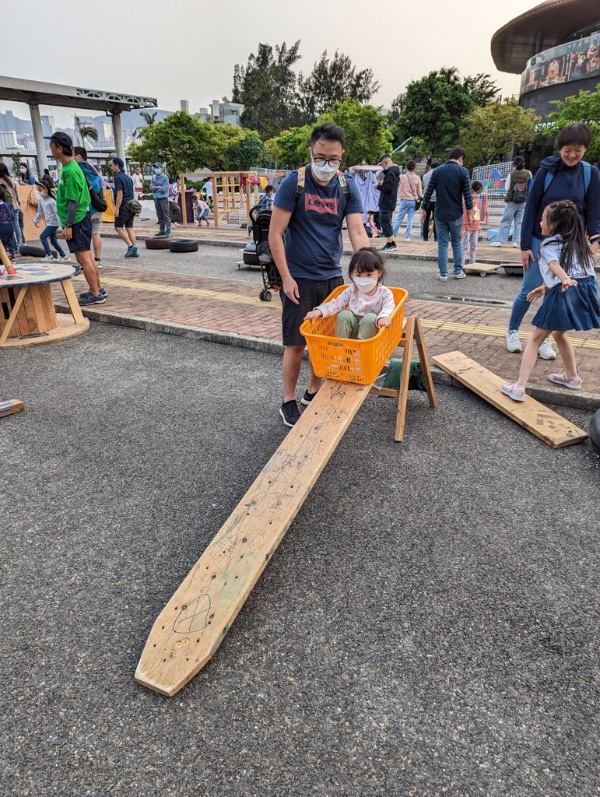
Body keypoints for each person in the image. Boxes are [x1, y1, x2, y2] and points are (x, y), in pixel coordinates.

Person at [268, 121, 370, 427]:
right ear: (312, 151)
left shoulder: (345, 185)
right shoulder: (295, 182)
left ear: (342, 156)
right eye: (321, 157)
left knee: (324, 343)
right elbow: (275, 233)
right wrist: (285, 277)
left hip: (331, 278)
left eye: (334, 159)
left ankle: (313, 391)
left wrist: (369, 271)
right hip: (298, 278)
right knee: (296, 343)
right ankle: (288, 400)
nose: (327, 164)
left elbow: (356, 230)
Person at [505, 123, 600, 358]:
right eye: (568, 149)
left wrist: (595, 240)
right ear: (560, 148)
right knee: (529, 288)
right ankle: (512, 331)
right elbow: (531, 209)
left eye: (578, 149)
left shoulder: (590, 174)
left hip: (572, 244)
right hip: (541, 240)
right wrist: (525, 246)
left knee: (557, 290)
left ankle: (544, 338)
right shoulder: (546, 171)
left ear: (585, 149)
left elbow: (594, 211)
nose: (572, 154)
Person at [501, 200, 600, 401]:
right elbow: (578, 273)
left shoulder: (548, 244)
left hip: (565, 289)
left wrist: (563, 280)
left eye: (543, 219)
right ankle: (571, 377)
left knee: (535, 339)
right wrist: (546, 287)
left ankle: (519, 387)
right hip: (584, 289)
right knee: (559, 334)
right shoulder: (578, 242)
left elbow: (555, 265)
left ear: (553, 225)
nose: (540, 223)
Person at [49, 132, 105, 305]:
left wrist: (68, 225)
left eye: (51, 145)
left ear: (59, 148)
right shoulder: (70, 168)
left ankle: (95, 293)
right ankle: (97, 288)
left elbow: (73, 201)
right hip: (81, 218)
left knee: (83, 258)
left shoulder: (71, 171)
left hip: (77, 219)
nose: (50, 148)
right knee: (87, 256)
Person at [304, 247, 394, 339]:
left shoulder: (385, 293)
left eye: (369, 275)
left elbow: (388, 308)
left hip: (371, 336)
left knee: (370, 318)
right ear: (352, 274)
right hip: (353, 330)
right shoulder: (352, 290)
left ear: (379, 272)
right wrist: (319, 311)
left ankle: (360, 349)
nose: (363, 279)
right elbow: (337, 303)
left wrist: (382, 318)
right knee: (344, 315)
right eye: (358, 275)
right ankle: (340, 348)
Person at [421, 147, 474, 281]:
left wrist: (423, 209)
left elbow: (428, 192)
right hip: (456, 213)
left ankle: (443, 274)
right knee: (456, 242)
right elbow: (467, 194)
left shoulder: (437, 171)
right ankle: (457, 271)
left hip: (440, 213)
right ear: (460, 158)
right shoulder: (463, 171)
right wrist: (470, 213)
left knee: (442, 244)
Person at [491, 156, 532, 249]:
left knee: (506, 221)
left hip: (512, 200)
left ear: (514, 164)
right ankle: (516, 242)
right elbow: (530, 185)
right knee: (519, 222)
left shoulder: (511, 174)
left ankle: (500, 241)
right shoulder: (528, 173)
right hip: (524, 201)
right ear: (523, 163)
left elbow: (506, 188)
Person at [74, 147, 104, 269]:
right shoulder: (93, 169)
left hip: (86, 209)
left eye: (73, 155)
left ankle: (88, 262)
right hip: (98, 206)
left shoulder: (78, 169)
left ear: (79, 156)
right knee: (96, 233)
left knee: (84, 236)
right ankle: (98, 260)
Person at [33, 176, 70, 262]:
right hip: (49, 223)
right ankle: (64, 256)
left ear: (46, 190)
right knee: (53, 241)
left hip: (54, 224)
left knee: (42, 236)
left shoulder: (52, 201)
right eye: (38, 191)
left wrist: (61, 225)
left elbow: (57, 213)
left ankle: (49, 255)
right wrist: (36, 220)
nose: (39, 192)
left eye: (40, 190)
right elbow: (40, 212)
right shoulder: (41, 200)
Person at [110, 157, 138, 257]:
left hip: (124, 206)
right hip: (132, 205)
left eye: (112, 165)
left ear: (117, 165)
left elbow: (120, 194)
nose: (111, 167)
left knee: (118, 228)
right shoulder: (128, 177)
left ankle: (131, 246)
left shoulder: (117, 177)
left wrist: (116, 209)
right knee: (129, 228)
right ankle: (134, 248)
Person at [375, 154, 400, 252]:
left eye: (382, 164)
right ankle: (392, 243)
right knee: (387, 221)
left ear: (385, 162)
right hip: (391, 201)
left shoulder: (390, 172)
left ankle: (390, 244)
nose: (382, 167)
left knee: (385, 222)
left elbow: (388, 188)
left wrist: (378, 187)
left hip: (386, 201)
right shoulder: (396, 172)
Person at [392, 160, 422, 241]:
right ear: (414, 168)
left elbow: (396, 186)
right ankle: (407, 237)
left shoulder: (401, 177)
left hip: (404, 200)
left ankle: (393, 235)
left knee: (399, 219)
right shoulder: (417, 178)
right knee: (411, 219)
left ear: (406, 167)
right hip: (413, 201)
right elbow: (419, 193)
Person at [461, 181, 487, 265]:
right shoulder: (466, 201)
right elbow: (464, 214)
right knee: (464, 246)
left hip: (475, 227)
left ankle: (472, 262)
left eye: (479, 193)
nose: (478, 194)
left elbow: (478, 213)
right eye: (477, 192)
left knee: (474, 246)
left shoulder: (477, 200)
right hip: (467, 227)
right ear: (472, 191)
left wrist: (478, 225)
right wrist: (464, 226)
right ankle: (461, 264)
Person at [0, 162, 22, 249]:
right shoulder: (10, 179)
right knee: (16, 225)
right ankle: (20, 244)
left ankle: (13, 247)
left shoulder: (0, 181)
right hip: (15, 205)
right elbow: (16, 192)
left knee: (8, 226)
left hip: (7, 207)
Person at [149, 162, 170, 238]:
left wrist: (156, 187)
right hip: (156, 198)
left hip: (163, 198)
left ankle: (168, 230)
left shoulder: (165, 177)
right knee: (159, 215)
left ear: (161, 168)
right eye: (155, 168)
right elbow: (150, 187)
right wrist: (156, 187)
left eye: (157, 167)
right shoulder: (153, 177)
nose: (156, 169)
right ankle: (161, 230)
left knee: (166, 214)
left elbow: (164, 189)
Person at [421, 162, 438, 241]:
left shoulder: (425, 176)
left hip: (426, 200)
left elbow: (425, 186)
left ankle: (425, 237)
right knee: (436, 219)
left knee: (426, 219)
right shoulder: (439, 174)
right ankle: (436, 237)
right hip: (436, 200)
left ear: (430, 167)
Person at [0, 187, 16, 260]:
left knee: (2, 244)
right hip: (10, 228)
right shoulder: (7, 205)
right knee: (11, 243)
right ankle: (12, 256)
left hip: (2, 229)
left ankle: (6, 254)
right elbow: (12, 216)